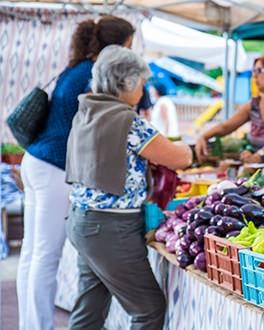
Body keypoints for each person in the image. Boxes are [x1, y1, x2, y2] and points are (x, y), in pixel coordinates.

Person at [17, 16, 135, 330]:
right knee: (45, 254)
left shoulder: (77, 66)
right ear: (117, 47)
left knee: (32, 252)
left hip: (36, 161)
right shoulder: (92, 74)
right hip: (54, 166)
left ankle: (31, 324)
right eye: (129, 47)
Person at [65, 45, 193, 329]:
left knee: (90, 309)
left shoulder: (85, 111)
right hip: (112, 229)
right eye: (142, 82)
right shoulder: (127, 121)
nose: (143, 90)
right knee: (148, 309)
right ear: (128, 82)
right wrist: (188, 147)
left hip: (82, 221)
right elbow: (178, 158)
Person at [195, 55, 264, 163]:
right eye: (253, 71)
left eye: (259, 70)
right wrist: (203, 137)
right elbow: (226, 127)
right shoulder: (254, 104)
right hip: (255, 169)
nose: (254, 76)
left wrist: (258, 156)